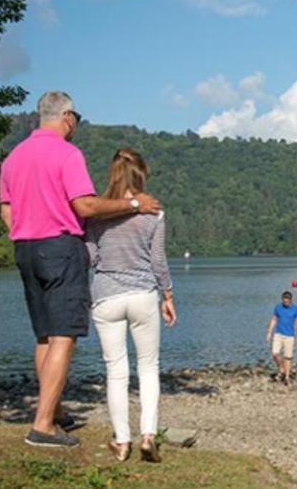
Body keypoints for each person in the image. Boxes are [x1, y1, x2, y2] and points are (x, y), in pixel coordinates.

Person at [0, 91, 160, 448]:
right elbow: (85, 206)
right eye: (77, 119)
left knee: (44, 334)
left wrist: (27, 230)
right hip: (59, 247)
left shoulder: (13, 158)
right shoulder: (67, 154)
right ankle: (43, 426)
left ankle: (52, 410)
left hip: (24, 248)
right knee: (64, 335)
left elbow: (6, 212)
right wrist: (133, 203)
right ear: (67, 116)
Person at [85, 148, 177, 463]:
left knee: (116, 371)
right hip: (142, 296)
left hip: (106, 296)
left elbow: (91, 257)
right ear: (141, 175)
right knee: (148, 367)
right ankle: (148, 435)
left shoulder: (97, 214)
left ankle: (122, 442)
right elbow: (158, 262)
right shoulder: (153, 212)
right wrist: (168, 295)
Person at [265, 291, 297, 385]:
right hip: (278, 334)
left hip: (289, 336)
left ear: (290, 300)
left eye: (287, 299)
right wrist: (269, 333)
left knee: (288, 357)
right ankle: (281, 368)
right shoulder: (278, 307)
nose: (285, 301)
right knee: (275, 353)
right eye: (284, 299)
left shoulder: (295, 309)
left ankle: (286, 376)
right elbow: (274, 319)